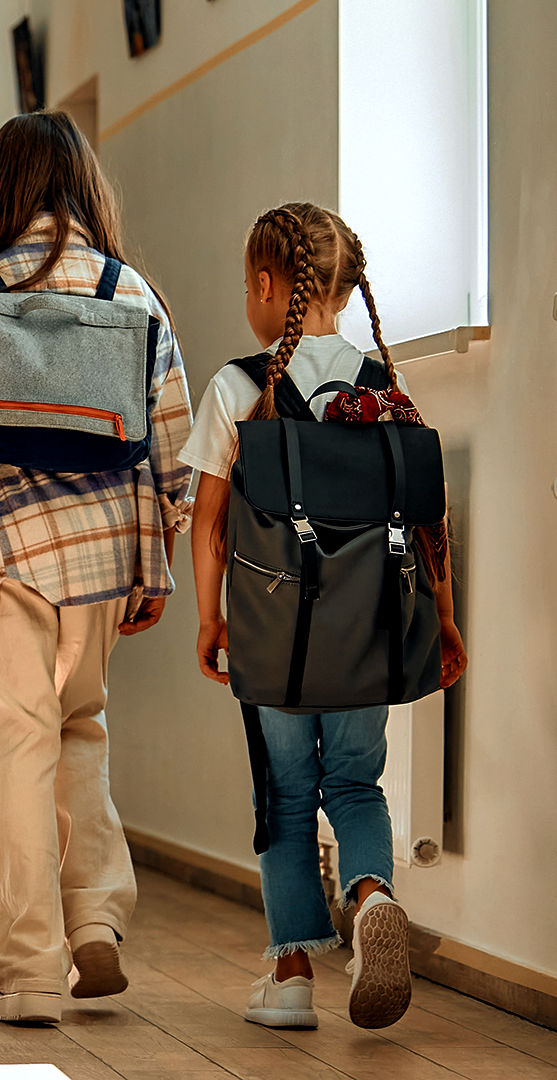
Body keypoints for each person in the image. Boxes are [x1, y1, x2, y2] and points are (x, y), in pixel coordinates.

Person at [0, 111, 192, 1024]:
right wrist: (161, 561)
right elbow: (171, 439)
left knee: (12, 746)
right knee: (81, 728)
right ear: (83, 188)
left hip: (2, 546)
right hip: (107, 544)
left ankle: (28, 972)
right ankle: (98, 919)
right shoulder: (128, 290)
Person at [183, 202, 467, 1031]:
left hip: (277, 638)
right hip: (371, 632)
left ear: (268, 286)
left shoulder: (240, 387)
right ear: (345, 291)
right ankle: (373, 894)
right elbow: (428, 522)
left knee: (284, 790)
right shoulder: (388, 388)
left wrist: (212, 619)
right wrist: (444, 623)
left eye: (248, 283)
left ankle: (293, 975)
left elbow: (208, 523)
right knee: (354, 783)